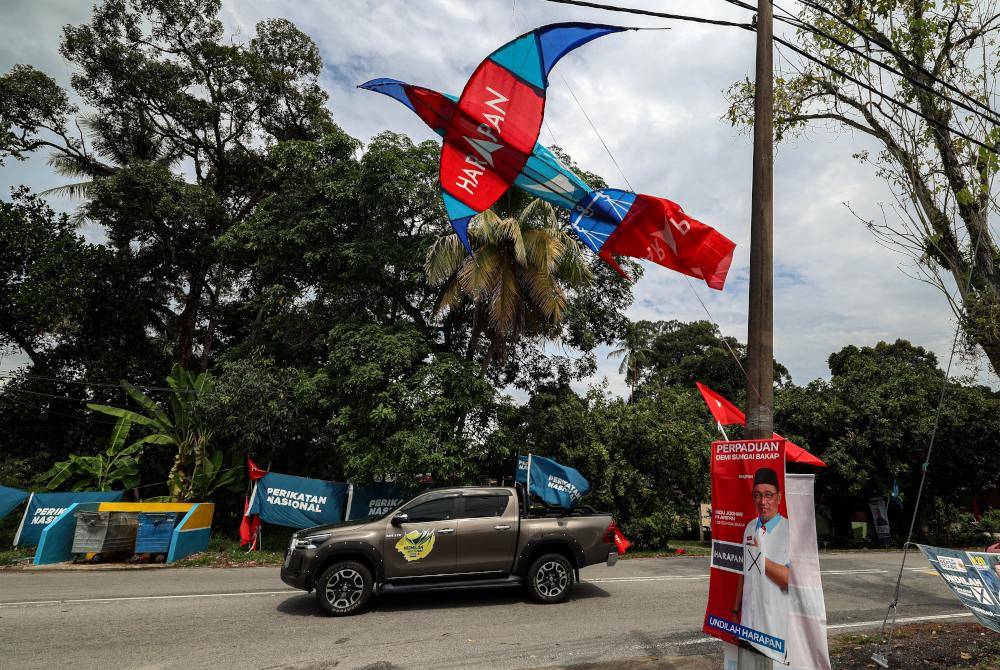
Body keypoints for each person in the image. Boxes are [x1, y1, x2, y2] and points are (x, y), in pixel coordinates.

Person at [731, 467, 790, 659]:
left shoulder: (791, 531)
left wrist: (758, 554)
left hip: (773, 630)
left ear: (779, 497)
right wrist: (735, 611)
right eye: (757, 495)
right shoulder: (749, 527)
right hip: (747, 625)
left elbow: (789, 581)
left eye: (768, 495)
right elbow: (743, 572)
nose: (763, 502)